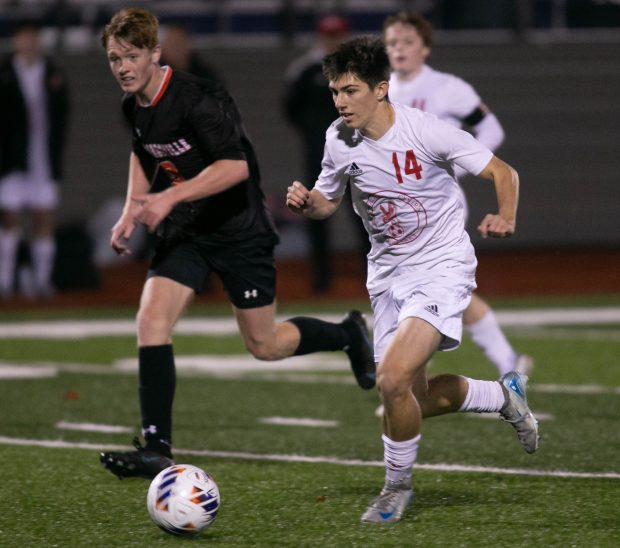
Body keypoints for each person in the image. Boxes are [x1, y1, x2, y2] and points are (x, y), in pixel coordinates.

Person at [97, 8, 375, 480]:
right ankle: (156, 446)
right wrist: (131, 210)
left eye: (131, 56)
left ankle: (347, 333)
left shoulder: (198, 97)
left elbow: (235, 167)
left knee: (264, 345)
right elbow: (143, 152)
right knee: (151, 320)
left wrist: (168, 198)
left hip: (237, 230)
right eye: (113, 58)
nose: (122, 67)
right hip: (186, 231)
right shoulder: (133, 106)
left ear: (154, 53)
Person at [286, 36, 539, 524]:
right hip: (388, 275)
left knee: (391, 378)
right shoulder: (337, 137)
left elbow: (504, 172)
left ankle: (395, 488)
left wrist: (505, 214)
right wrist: (308, 203)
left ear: (381, 89)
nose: (340, 102)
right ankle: (504, 396)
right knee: (408, 398)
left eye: (350, 90)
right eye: (335, 91)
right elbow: (328, 200)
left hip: (441, 266)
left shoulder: (427, 131)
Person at [383, 11, 532, 378]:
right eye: (392, 43)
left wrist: (456, 169)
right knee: (433, 288)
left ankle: (405, 377)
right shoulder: (382, 89)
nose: (399, 49)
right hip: (398, 207)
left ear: (426, 48)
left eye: (407, 42)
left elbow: (491, 130)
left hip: (438, 203)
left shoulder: (447, 87)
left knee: (418, 283)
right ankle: (506, 362)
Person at [282, 14, 368, 292]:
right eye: (328, 35)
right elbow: (291, 109)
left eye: (337, 35)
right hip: (320, 157)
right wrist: (314, 136)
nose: (333, 41)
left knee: (365, 211)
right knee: (316, 210)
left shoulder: (362, 70)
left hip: (358, 154)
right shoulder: (305, 70)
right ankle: (321, 277)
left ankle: (374, 272)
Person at [0, 19, 70, 300]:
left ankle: (42, 280)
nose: (28, 42)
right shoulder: (4, 73)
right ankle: (5, 281)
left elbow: (62, 115)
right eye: (23, 37)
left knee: (43, 218)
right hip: (12, 160)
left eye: (32, 37)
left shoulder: (52, 73)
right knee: (9, 218)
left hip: (42, 158)